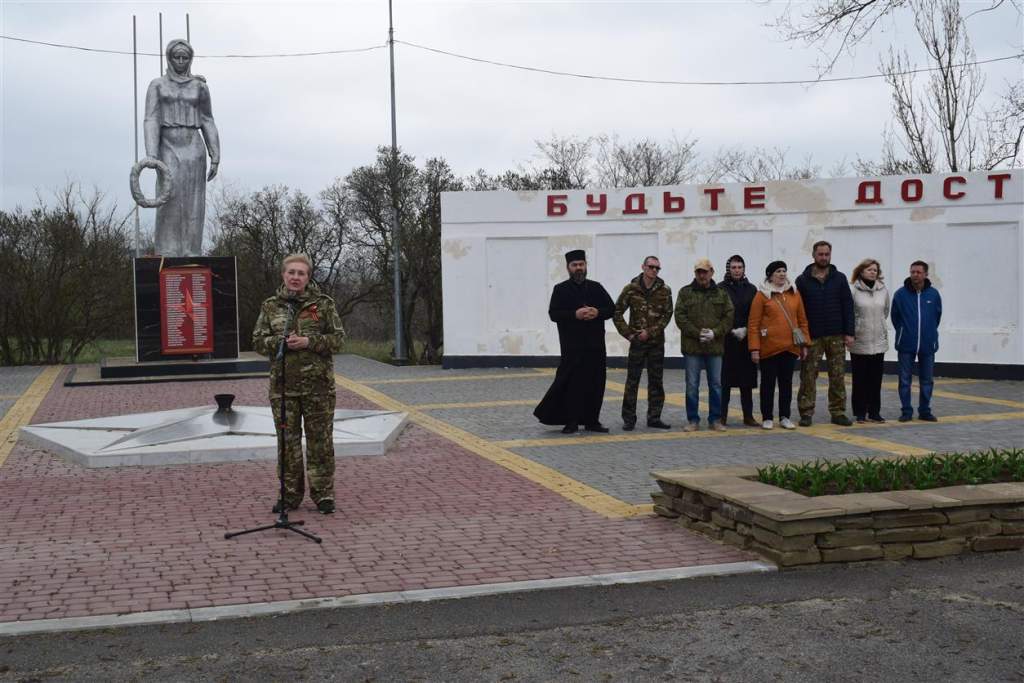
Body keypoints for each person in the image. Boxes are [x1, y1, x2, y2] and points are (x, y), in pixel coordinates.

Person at [252, 253, 345, 514]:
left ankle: (323, 494)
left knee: (320, 442)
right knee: (287, 444)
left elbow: (338, 340)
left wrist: (309, 342)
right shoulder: (271, 306)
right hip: (284, 389)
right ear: (283, 275)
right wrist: (279, 342)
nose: (295, 277)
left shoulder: (323, 305)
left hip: (319, 389)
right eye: (291, 272)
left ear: (308, 277)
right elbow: (258, 341)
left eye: (301, 273)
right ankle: (289, 495)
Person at [144, 39, 221, 257]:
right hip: (167, 144)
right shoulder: (157, 85)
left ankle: (191, 249)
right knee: (170, 195)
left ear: (190, 59)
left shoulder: (199, 87)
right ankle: (167, 249)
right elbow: (151, 119)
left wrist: (215, 154)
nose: (180, 61)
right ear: (169, 58)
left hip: (193, 144)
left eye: (184, 57)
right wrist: (151, 154)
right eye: (176, 57)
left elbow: (207, 119)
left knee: (193, 199)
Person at [535, 250, 615, 434]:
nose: (579, 268)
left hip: (595, 347)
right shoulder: (560, 289)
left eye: (581, 264)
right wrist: (574, 314)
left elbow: (611, 309)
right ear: (568, 268)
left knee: (596, 383)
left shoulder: (596, 287)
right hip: (572, 347)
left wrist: (597, 312)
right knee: (572, 385)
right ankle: (571, 421)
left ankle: (592, 421)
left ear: (586, 266)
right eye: (575, 265)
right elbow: (554, 314)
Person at [795, 241, 855, 427]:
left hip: (836, 335)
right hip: (812, 335)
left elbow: (848, 305)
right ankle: (806, 412)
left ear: (830, 255)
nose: (823, 257)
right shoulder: (802, 280)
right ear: (813, 255)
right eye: (820, 254)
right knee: (808, 375)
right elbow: (798, 310)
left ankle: (838, 411)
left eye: (827, 254)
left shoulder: (839, 278)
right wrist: (801, 338)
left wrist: (849, 332)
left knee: (837, 375)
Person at [748, 261, 811, 430]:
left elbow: (802, 320)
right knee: (767, 385)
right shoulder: (762, 295)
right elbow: (753, 324)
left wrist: (805, 344)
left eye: (784, 271)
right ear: (770, 276)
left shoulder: (794, 293)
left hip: (790, 348)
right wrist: (754, 348)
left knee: (786, 384)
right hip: (769, 348)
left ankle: (785, 416)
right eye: (778, 271)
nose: (782, 274)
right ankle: (767, 417)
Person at [613, 256, 673, 431]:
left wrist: (651, 332)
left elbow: (667, 315)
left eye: (657, 268)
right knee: (632, 381)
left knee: (656, 381)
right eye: (651, 267)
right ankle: (629, 419)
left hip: (656, 343)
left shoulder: (664, 290)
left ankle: (654, 417)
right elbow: (617, 312)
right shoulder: (631, 289)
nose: (654, 270)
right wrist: (629, 334)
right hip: (637, 342)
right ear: (643, 267)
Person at [674, 258, 734, 432]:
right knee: (692, 385)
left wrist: (715, 332)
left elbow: (729, 316)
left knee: (716, 385)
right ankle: (693, 420)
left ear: (712, 272)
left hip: (715, 347)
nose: (702, 275)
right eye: (699, 272)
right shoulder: (685, 292)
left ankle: (715, 419)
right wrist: (697, 333)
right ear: (695, 273)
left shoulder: (721, 293)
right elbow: (680, 316)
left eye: (705, 272)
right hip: (692, 347)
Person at [891, 260, 942, 422]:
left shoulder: (933, 294)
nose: (915, 275)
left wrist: (929, 332)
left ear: (926, 274)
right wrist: (903, 331)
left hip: (928, 344)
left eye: (918, 272)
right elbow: (895, 317)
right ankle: (906, 411)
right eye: (912, 272)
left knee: (927, 380)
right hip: (906, 343)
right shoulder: (900, 294)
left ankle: (925, 410)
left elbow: (937, 316)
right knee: (904, 379)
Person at [719, 255, 759, 427]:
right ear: (728, 269)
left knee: (746, 382)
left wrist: (747, 330)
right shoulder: (720, 288)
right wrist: (730, 330)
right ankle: (721, 416)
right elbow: (718, 314)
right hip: (726, 341)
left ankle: (748, 416)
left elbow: (756, 314)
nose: (737, 270)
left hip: (746, 341)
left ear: (744, 269)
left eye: (740, 267)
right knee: (725, 382)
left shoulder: (751, 289)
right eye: (734, 267)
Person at [849, 259, 890, 423]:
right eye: (869, 269)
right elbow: (850, 313)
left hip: (878, 341)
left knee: (875, 379)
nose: (873, 272)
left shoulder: (883, 290)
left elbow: (885, 311)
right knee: (860, 379)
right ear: (861, 272)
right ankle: (860, 411)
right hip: (860, 340)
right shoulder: (854, 290)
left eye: (875, 270)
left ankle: (874, 412)